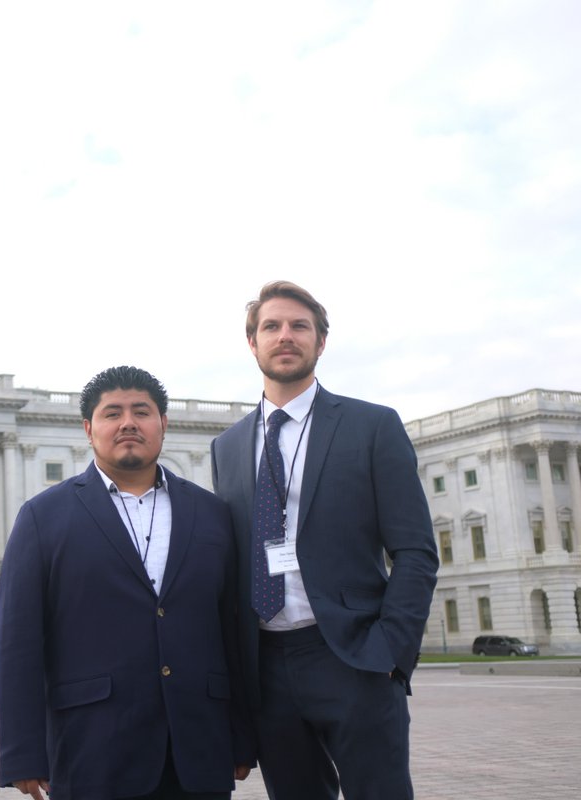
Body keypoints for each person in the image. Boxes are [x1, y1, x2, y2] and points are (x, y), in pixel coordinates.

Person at [210, 281, 439, 800]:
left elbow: (416, 551)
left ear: (321, 341)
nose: (285, 336)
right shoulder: (227, 446)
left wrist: (391, 650)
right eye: (272, 326)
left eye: (300, 326)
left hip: (354, 656)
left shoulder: (371, 426)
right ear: (252, 343)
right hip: (267, 666)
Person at [0, 366, 253, 800]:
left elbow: (233, 629)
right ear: (88, 429)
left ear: (163, 424)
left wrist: (242, 735)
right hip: (93, 748)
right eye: (112, 413)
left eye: (142, 412)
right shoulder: (42, 516)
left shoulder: (212, 513)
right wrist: (22, 753)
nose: (128, 423)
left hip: (198, 749)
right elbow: (17, 642)